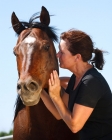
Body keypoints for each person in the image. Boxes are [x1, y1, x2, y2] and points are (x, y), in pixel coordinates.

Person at [40, 29, 112, 139]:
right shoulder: (76, 78)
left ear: (77, 57)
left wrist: (55, 97)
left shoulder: (91, 82)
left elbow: (74, 126)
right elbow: (59, 114)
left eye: (62, 52)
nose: (57, 54)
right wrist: (39, 89)